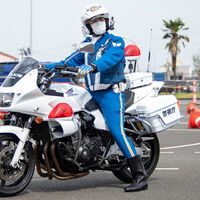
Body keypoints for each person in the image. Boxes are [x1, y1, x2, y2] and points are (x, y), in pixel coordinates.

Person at [45, 3, 148, 192]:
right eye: (93, 20)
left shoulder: (116, 41)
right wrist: (46, 67)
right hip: (90, 92)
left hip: (111, 93)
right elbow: (67, 61)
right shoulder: (87, 45)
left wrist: (93, 66)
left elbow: (111, 58)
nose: (98, 23)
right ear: (88, 25)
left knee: (117, 132)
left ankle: (140, 175)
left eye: (101, 19)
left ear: (108, 21)